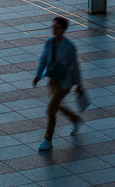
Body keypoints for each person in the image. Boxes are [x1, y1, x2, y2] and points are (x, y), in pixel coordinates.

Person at [33, 16, 83, 152]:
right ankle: (74, 118)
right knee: (56, 105)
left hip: (65, 82)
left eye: (57, 28)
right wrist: (38, 76)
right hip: (53, 80)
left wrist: (79, 85)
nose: (54, 30)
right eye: (53, 27)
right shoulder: (49, 42)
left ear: (64, 30)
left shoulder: (69, 46)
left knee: (50, 109)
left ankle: (48, 140)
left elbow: (75, 65)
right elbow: (43, 59)